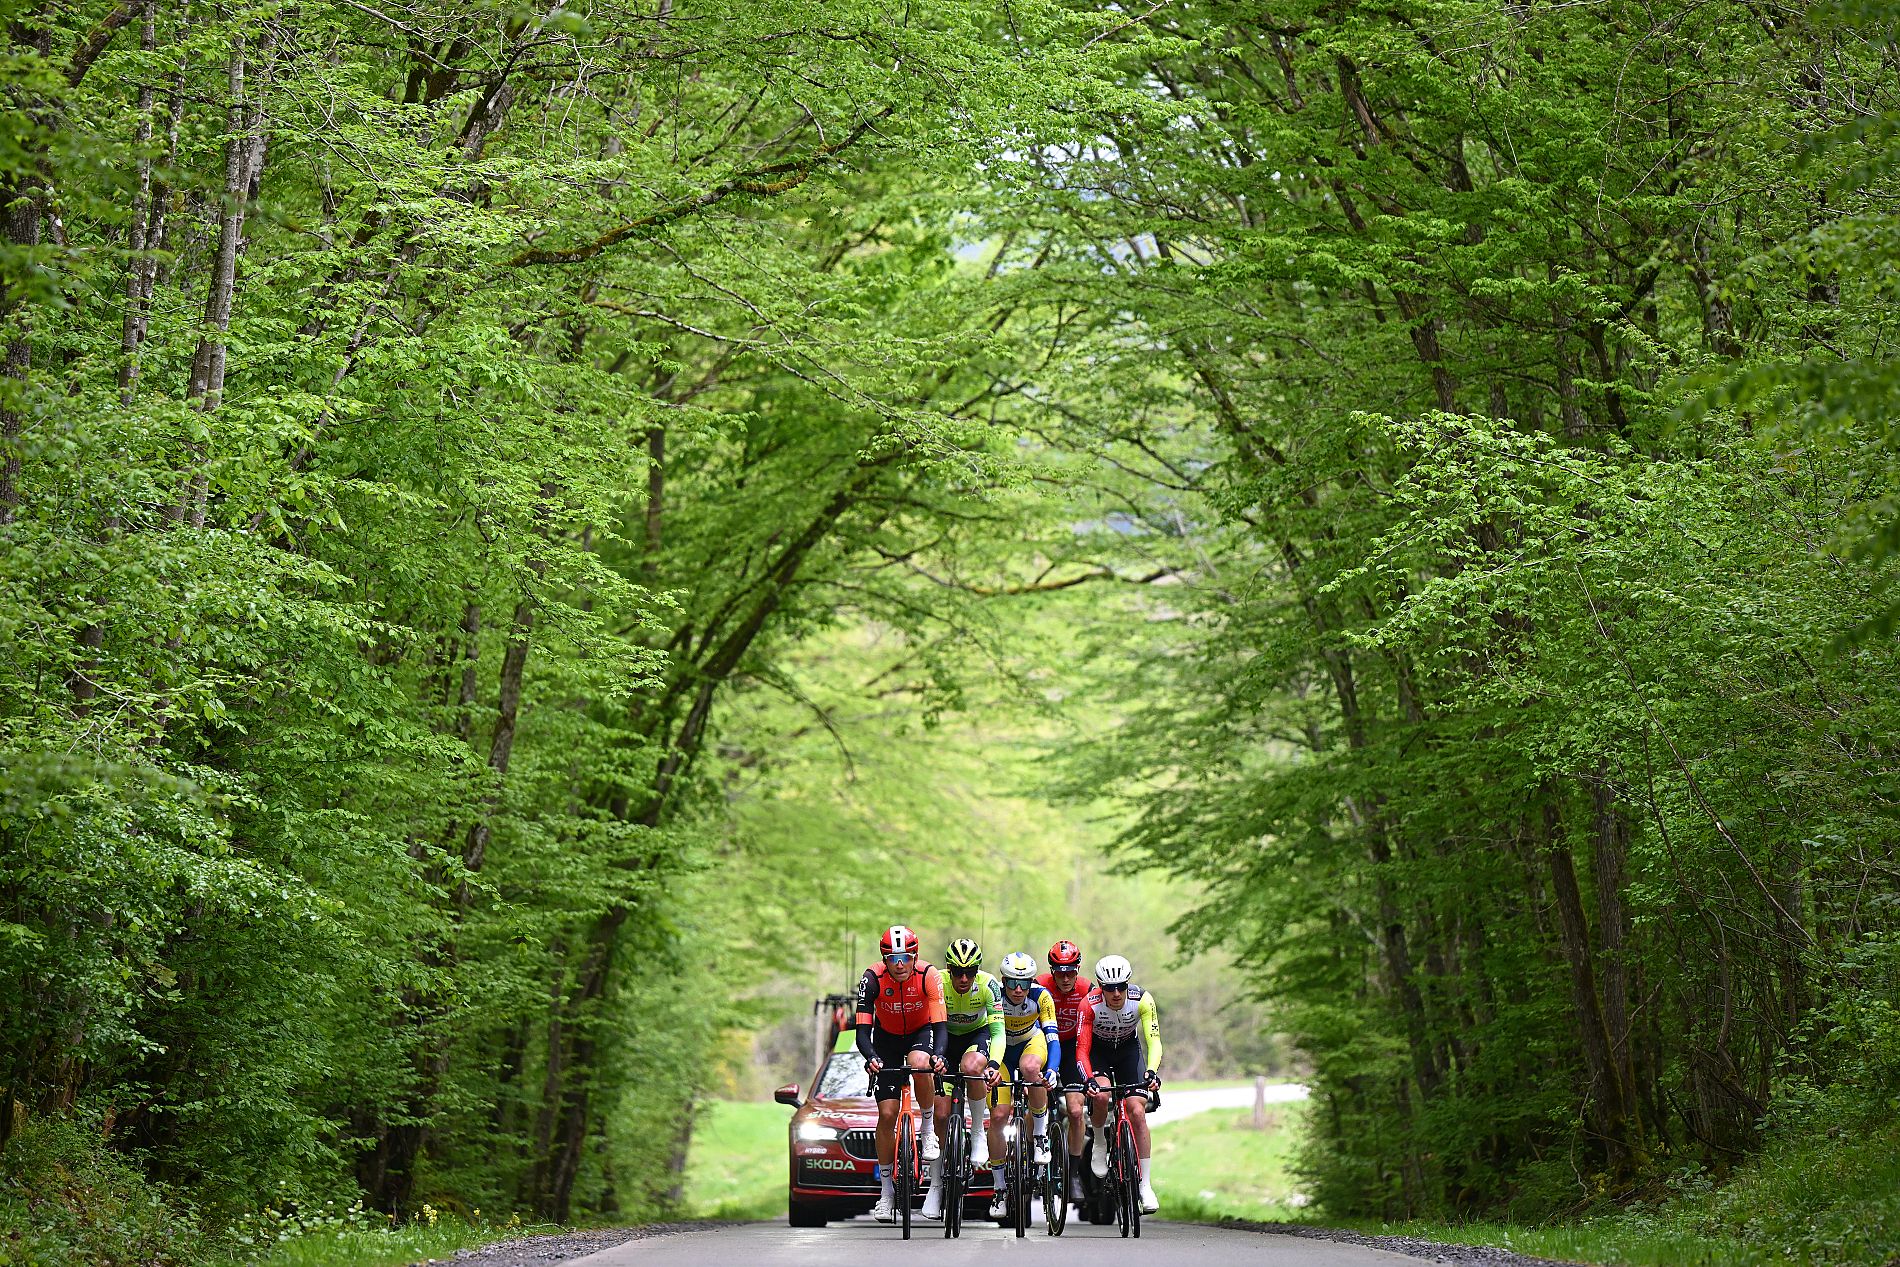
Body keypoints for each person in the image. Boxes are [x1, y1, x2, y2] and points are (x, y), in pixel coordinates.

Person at [854, 925, 946, 1223]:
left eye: (905, 958)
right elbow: (862, 1031)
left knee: (921, 1063)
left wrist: (940, 1056)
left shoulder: (929, 975)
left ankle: (928, 1129)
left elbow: (941, 1025)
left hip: (920, 1032)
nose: (899, 964)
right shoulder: (872, 979)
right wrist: (871, 1058)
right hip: (886, 1038)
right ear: (884, 958)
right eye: (892, 958)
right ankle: (886, 1192)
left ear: (914, 956)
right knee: (888, 1114)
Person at [920, 937, 1003, 1222]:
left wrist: (993, 1063)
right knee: (941, 1115)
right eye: (958, 971)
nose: (964, 978)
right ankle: (935, 1185)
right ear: (948, 969)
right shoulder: (937, 981)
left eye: (971, 971)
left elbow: (998, 1033)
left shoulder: (989, 985)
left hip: (974, 1037)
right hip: (942, 1040)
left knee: (972, 1066)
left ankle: (978, 1131)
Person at [1076, 953, 1163, 1215]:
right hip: (1099, 1052)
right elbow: (1081, 1050)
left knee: (1137, 1110)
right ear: (1100, 987)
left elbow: (1154, 1040)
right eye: (1109, 988)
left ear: (1128, 984)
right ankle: (1100, 1141)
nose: (1116, 994)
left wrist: (1151, 1071)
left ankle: (1145, 1185)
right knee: (1101, 1096)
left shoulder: (1142, 1000)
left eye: (1121, 987)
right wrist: (1088, 1079)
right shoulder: (1088, 1005)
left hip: (1128, 1051)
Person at [988, 950, 1061, 1222]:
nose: (1018, 989)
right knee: (998, 1116)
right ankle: (999, 1189)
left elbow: (1052, 1037)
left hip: (1031, 1042)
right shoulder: (994, 994)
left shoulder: (1041, 996)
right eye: (1012, 983)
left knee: (1032, 1069)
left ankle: (1040, 1137)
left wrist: (1051, 1069)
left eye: (1025, 983)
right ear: (1003, 980)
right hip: (1002, 1050)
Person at [1037, 939, 1092, 1201]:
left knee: (1074, 1111)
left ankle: (1072, 1174)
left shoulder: (1086, 989)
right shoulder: (1039, 985)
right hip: (1043, 1045)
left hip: (1072, 1048)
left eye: (1071, 971)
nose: (1066, 977)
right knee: (1032, 1106)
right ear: (1051, 970)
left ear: (1078, 969)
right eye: (1060, 971)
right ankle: (1029, 1158)